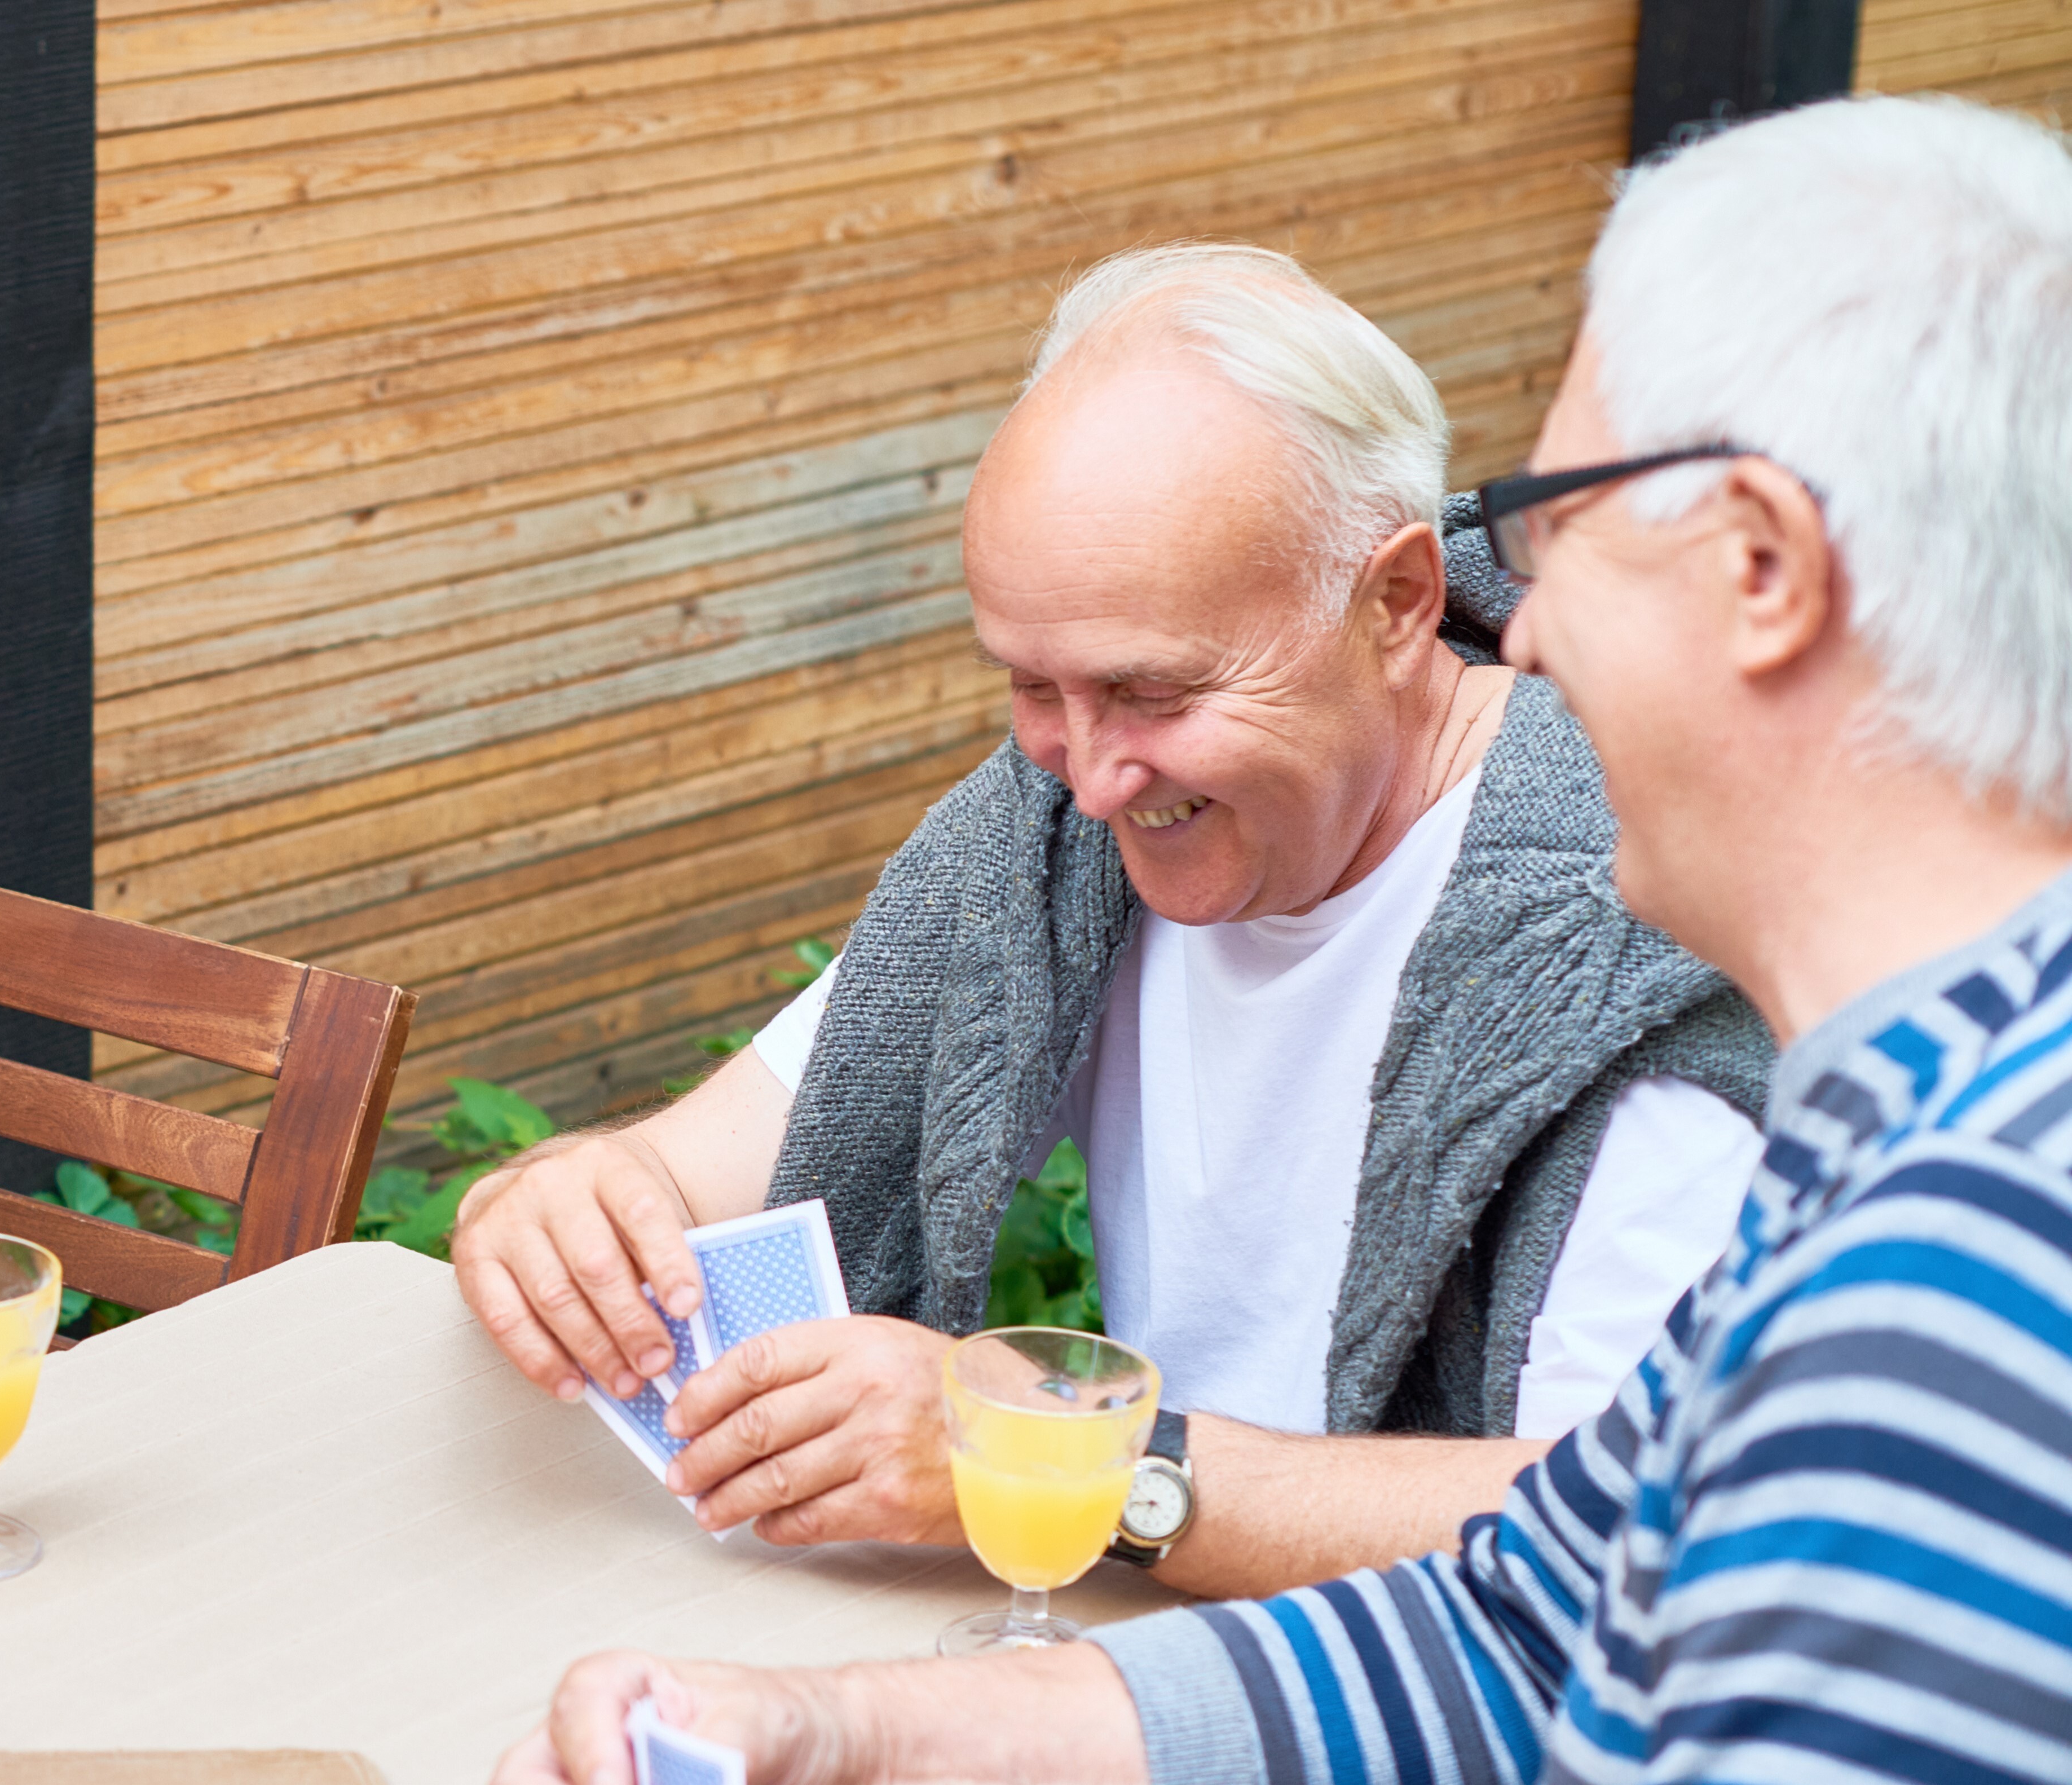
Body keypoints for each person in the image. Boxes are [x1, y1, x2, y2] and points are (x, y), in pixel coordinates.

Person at [502, 90, 2072, 1785]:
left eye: (1559, 521)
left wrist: (1075, 1474)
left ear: (1762, 563)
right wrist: (844, 1730)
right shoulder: (1906, 1114)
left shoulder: (1963, 1268)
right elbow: (1536, 1610)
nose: (1524, 617)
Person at [447, 240, 1774, 1597]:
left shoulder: (1631, 934)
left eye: (1151, 692)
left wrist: (1080, 1462)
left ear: (1393, 603)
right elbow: (683, 1173)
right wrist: (565, 1202)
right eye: (1031, 683)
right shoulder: (1055, 833)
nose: (1085, 775)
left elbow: (1622, 1531)